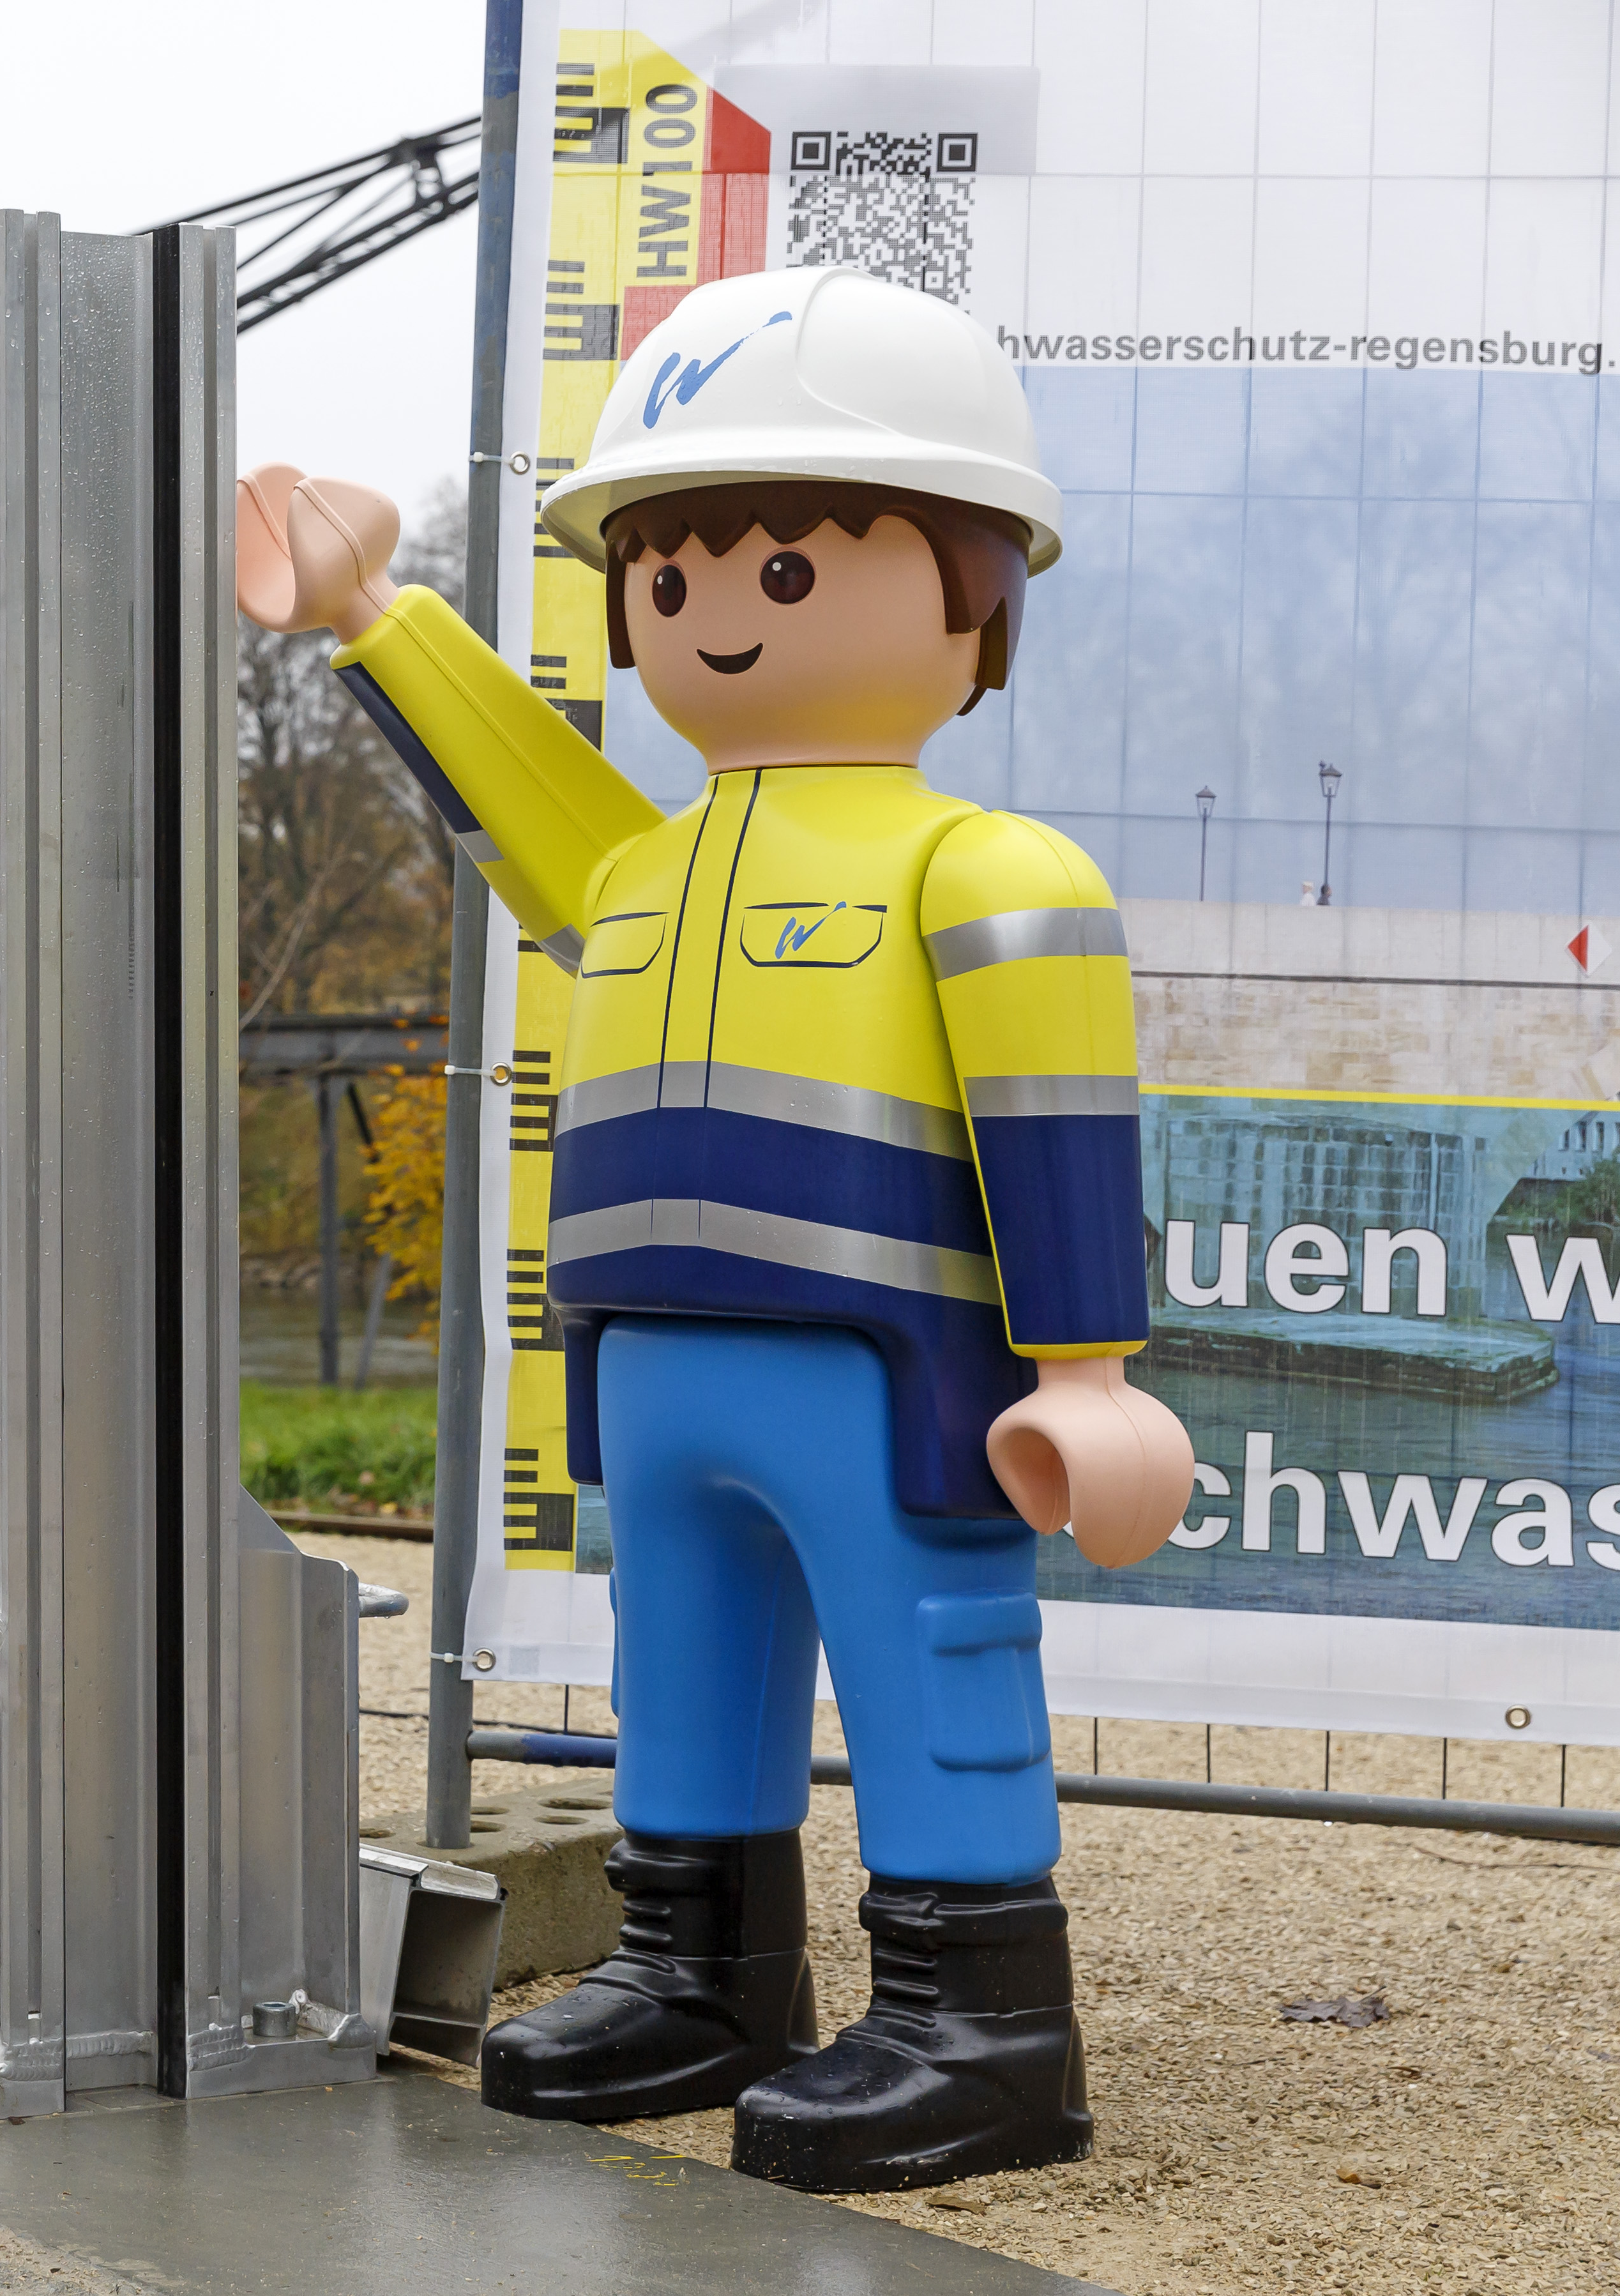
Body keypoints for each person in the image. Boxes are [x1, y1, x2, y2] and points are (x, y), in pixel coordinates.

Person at [236, 264, 1193, 2193]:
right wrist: (368, 614)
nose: (715, 619)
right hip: (656, 1361)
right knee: (680, 1661)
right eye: (669, 579)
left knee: (934, 1658)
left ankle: (979, 2021)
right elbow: (506, 783)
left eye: (786, 572)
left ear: (976, 587)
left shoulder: (986, 869)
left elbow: (1061, 1121)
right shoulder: (636, 863)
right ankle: (700, 1972)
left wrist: (1090, 1365)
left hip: (892, 1365)